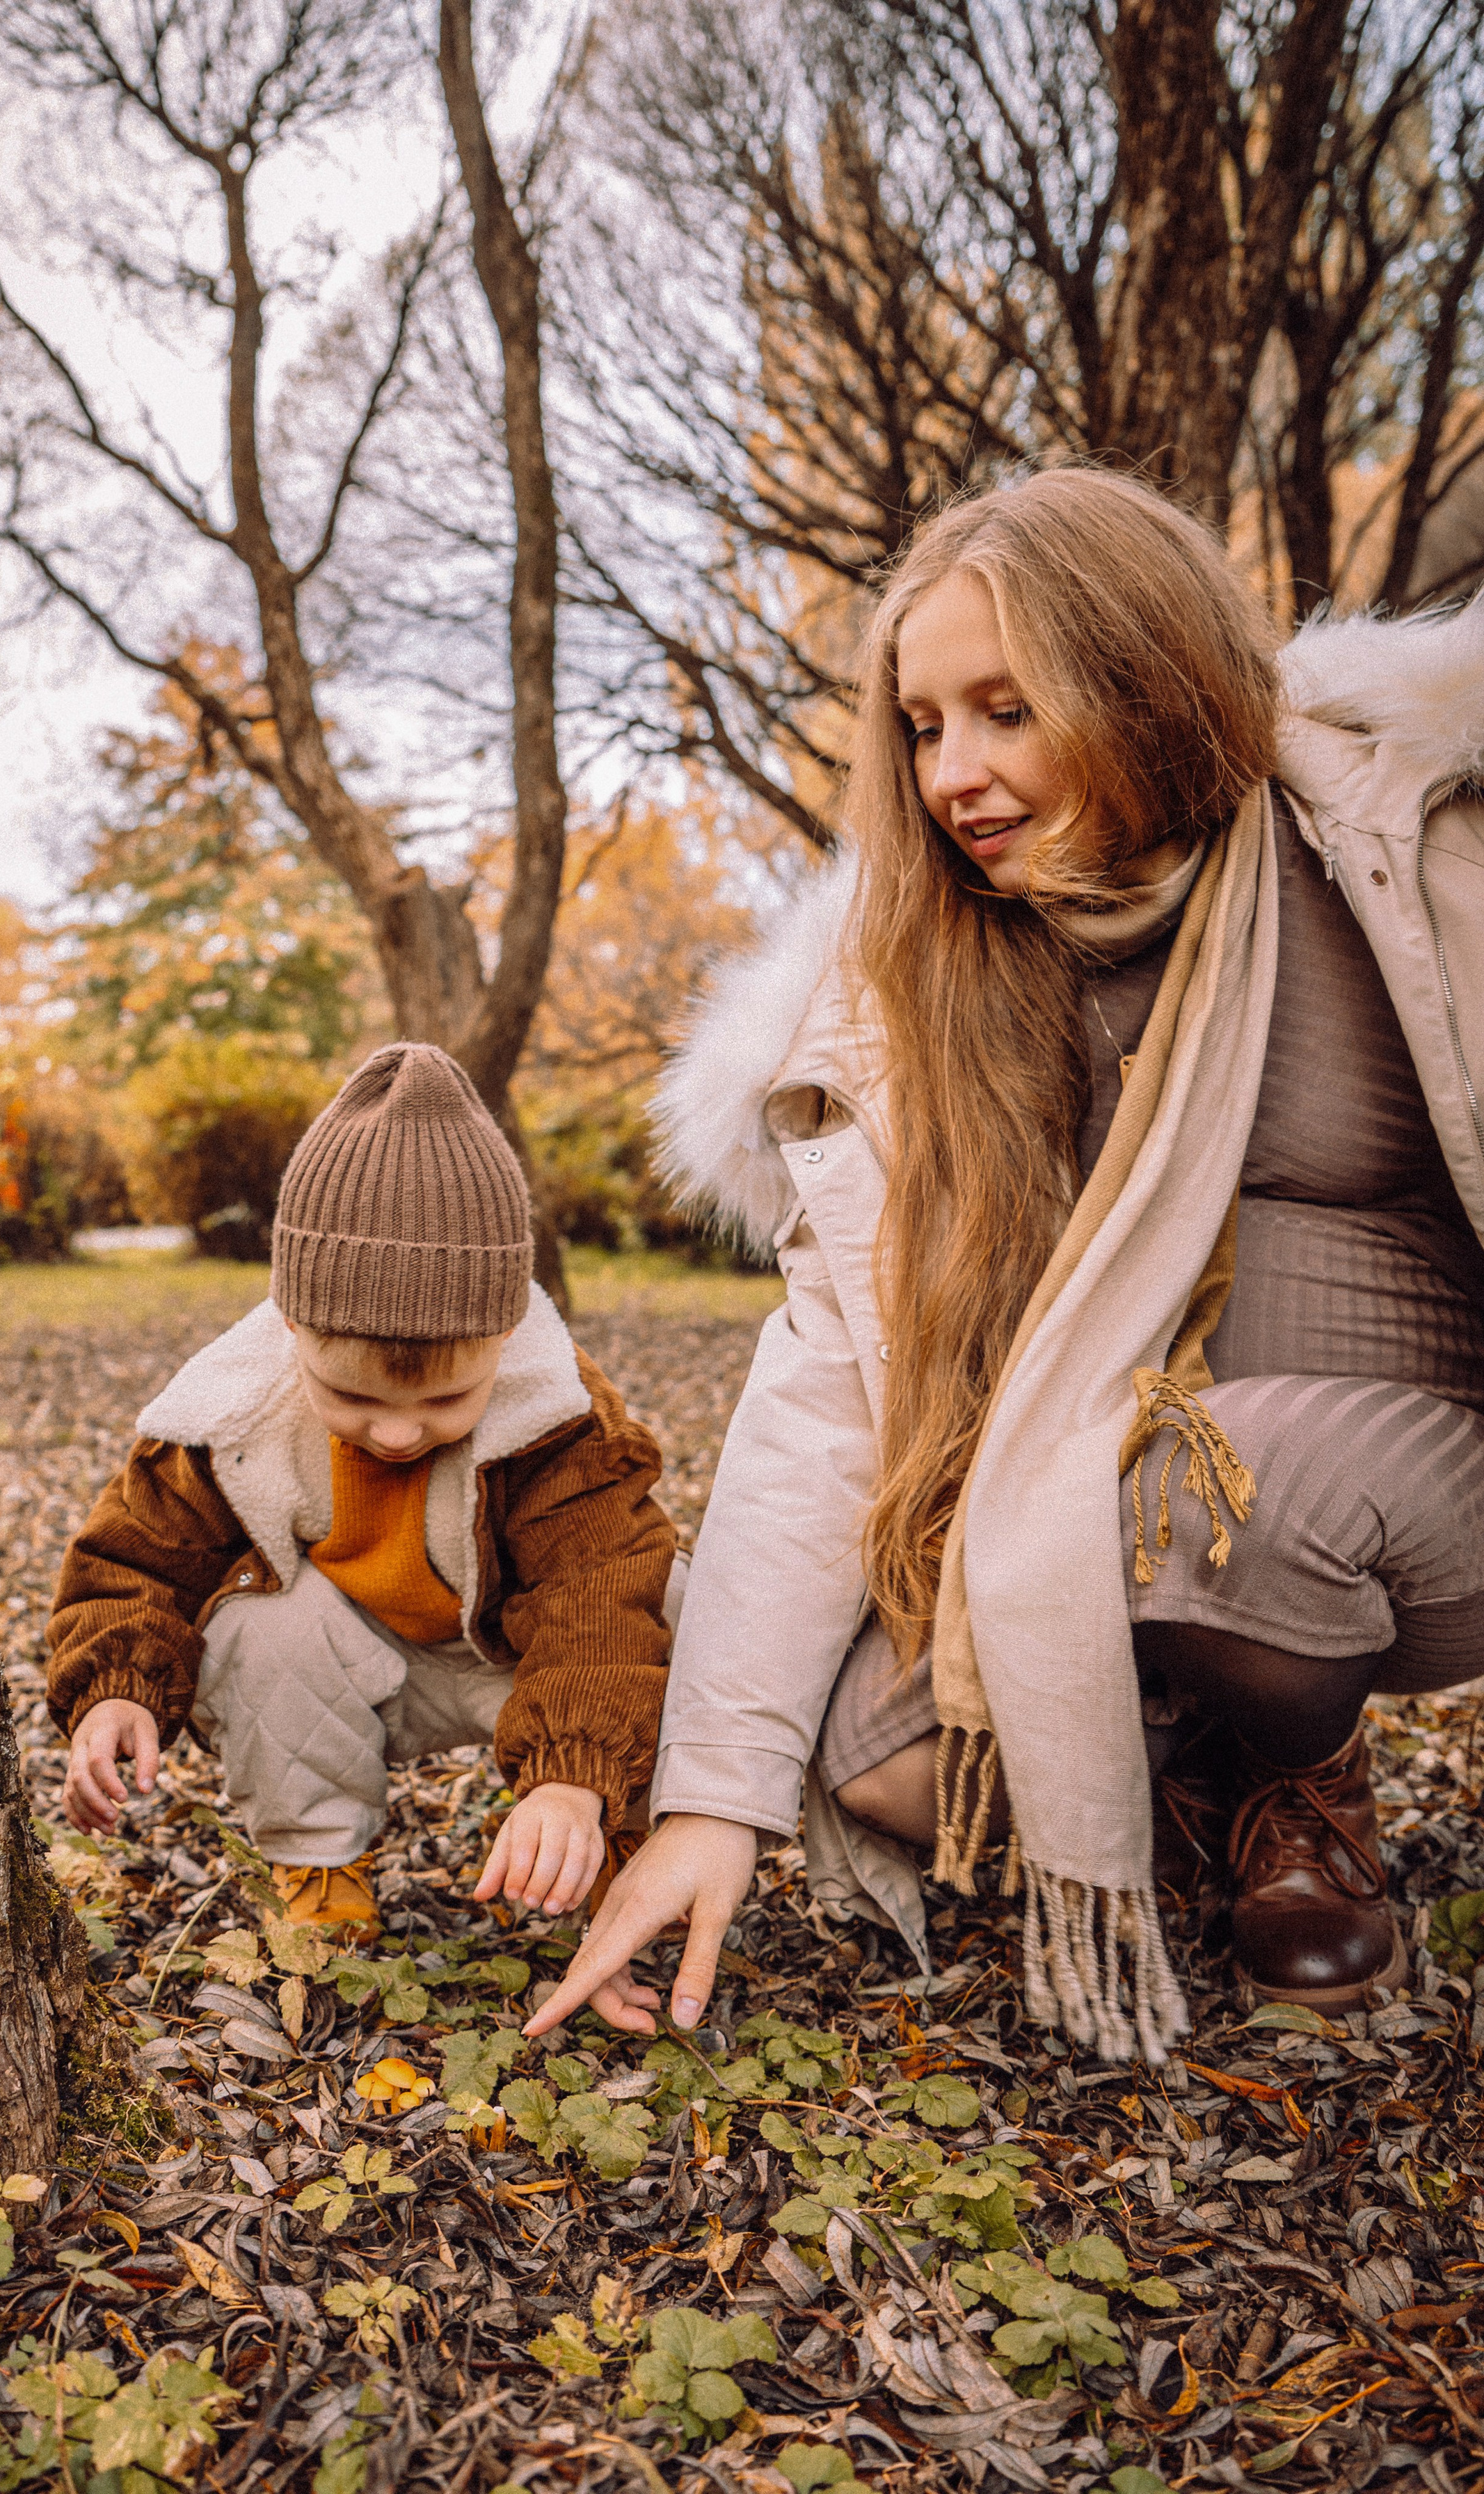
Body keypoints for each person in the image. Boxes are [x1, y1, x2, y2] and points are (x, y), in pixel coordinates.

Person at [528, 470, 1484, 2063]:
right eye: (919, 725)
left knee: (1202, 1489)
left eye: (1002, 711)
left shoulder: (1385, 837)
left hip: (1421, 1478)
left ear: (1138, 679)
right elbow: (828, 1392)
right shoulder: (918, 993)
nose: (951, 774)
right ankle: (1227, 1785)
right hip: (1131, 1512)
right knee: (881, 1754)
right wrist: (709, 1798)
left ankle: (1300, 1775)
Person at [49, 1042, 677, 1957]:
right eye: (353, 1399)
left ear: (502, 1338)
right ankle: (316, 1865)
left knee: (675, 1607)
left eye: (443, 1402)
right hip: (363, 1666)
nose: (395, 1434)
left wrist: (572, 1777)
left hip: (519, 1656)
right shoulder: (233, 1414)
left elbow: (598, 1596)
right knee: (263, 1629)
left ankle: (613, 1856)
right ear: (294, 1327)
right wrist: (119, 1692)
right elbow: (136, 1555)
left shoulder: (557, 1421)